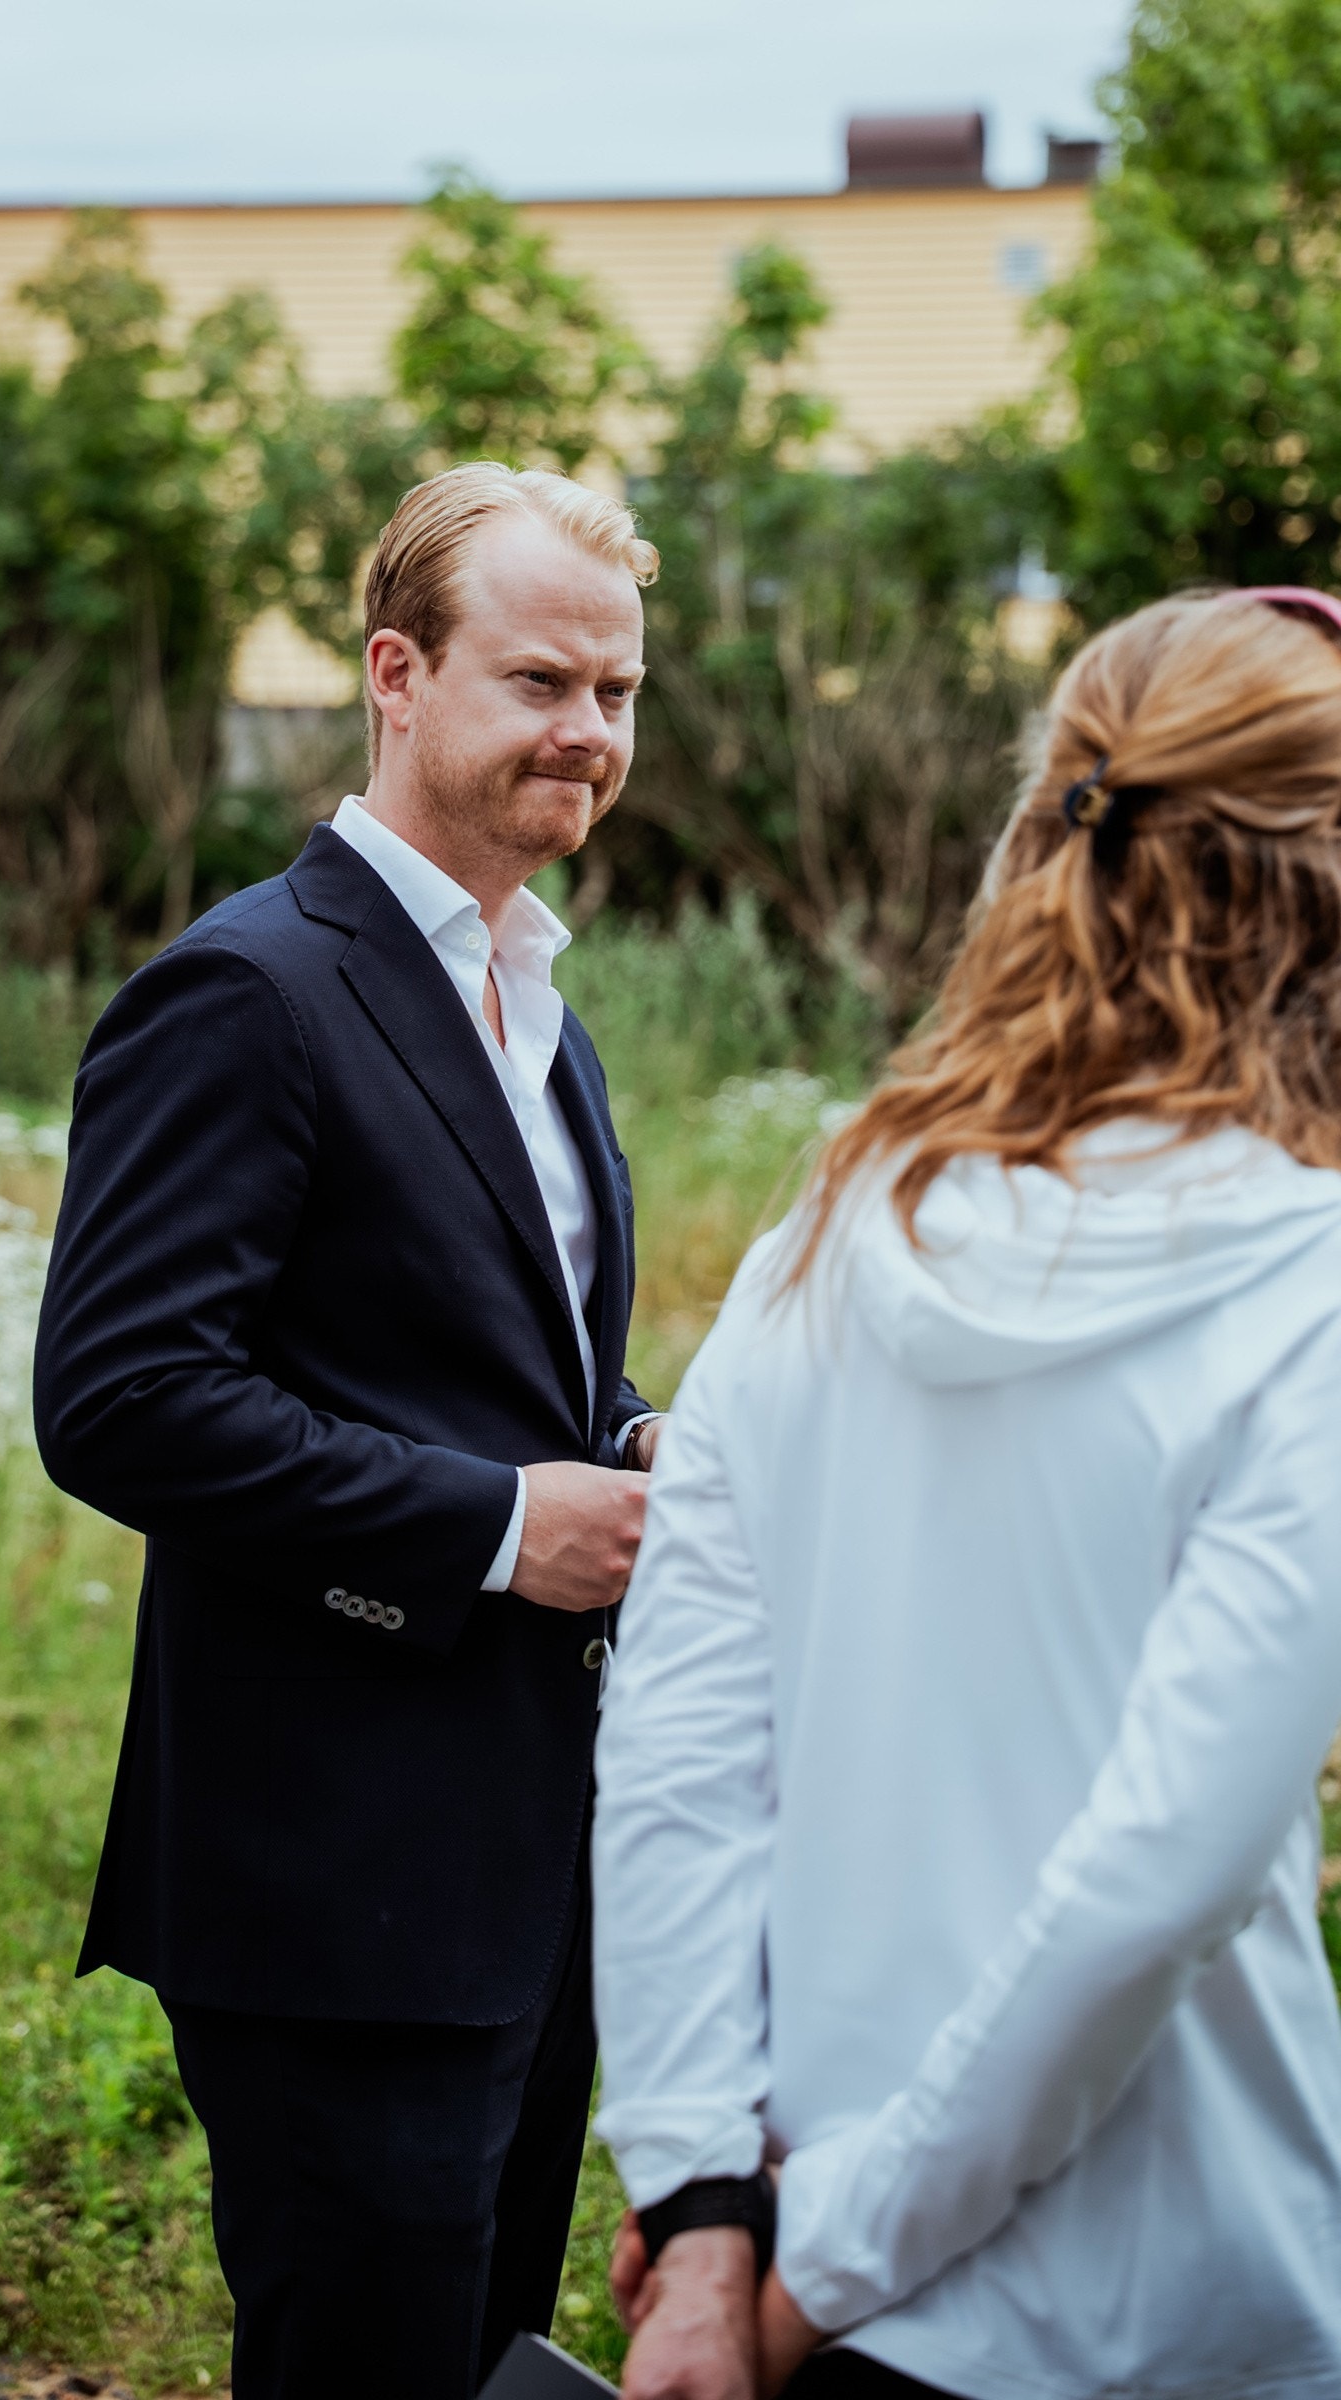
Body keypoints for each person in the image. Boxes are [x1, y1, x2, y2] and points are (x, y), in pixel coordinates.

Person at [592, 588, 1341, 2400]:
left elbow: (683, 1761)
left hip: (819, 2298)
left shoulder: (832, 1228)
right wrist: (806, 2267)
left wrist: (703, 2223)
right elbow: (1155, 1884)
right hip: (1179, 2310)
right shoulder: (1309, 1284)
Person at [34, 463, 666, 2400]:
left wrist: (620, 1442)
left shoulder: (529, 995)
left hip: (518, 1864)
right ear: (395, 675)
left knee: (472, 2356)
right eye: (540, 681)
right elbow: (120, 1401)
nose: (588, 733)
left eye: (619, 693)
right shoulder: (246, 988)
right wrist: (494, 1523)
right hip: (333, 1881)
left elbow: (496, 1365)